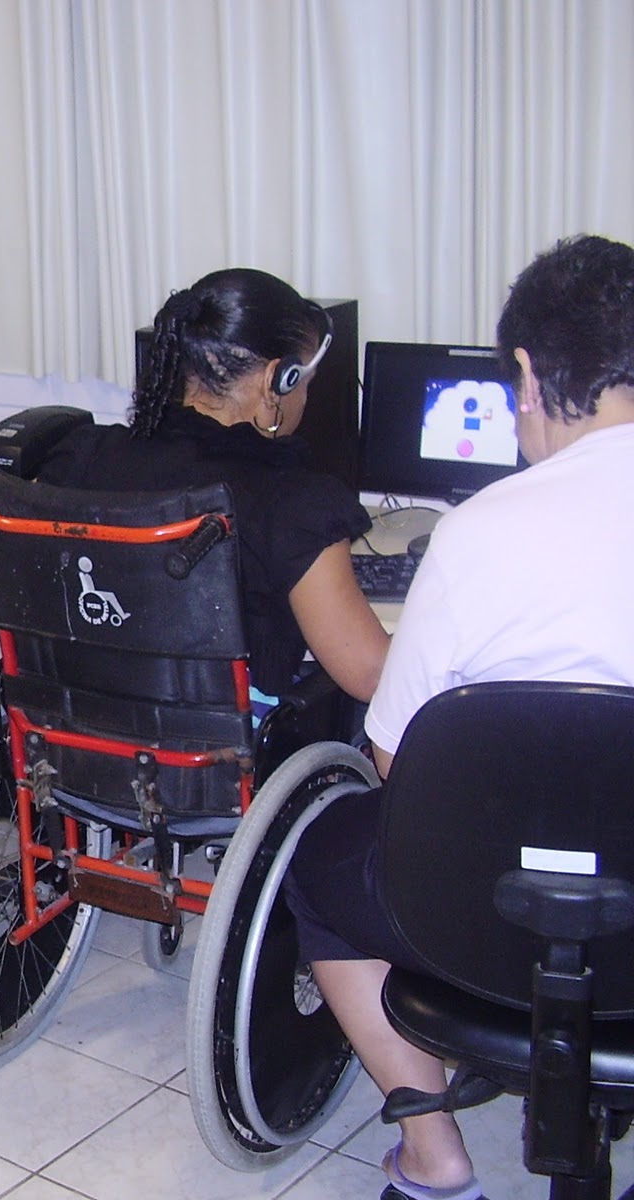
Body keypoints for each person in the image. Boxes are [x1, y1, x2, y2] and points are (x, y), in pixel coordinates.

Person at [285, 233, 634, 1200]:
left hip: (487, 920)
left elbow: (397, 763)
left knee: (319, 866)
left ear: (527, 374)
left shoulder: (480, 532)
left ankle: (435, 1163)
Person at [0, 267, 388, 705]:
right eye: (306, 385)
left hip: (83, 726)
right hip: (226, 739)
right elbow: (370, 677)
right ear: (276, 381)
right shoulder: (298, 505)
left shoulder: (87, 453)